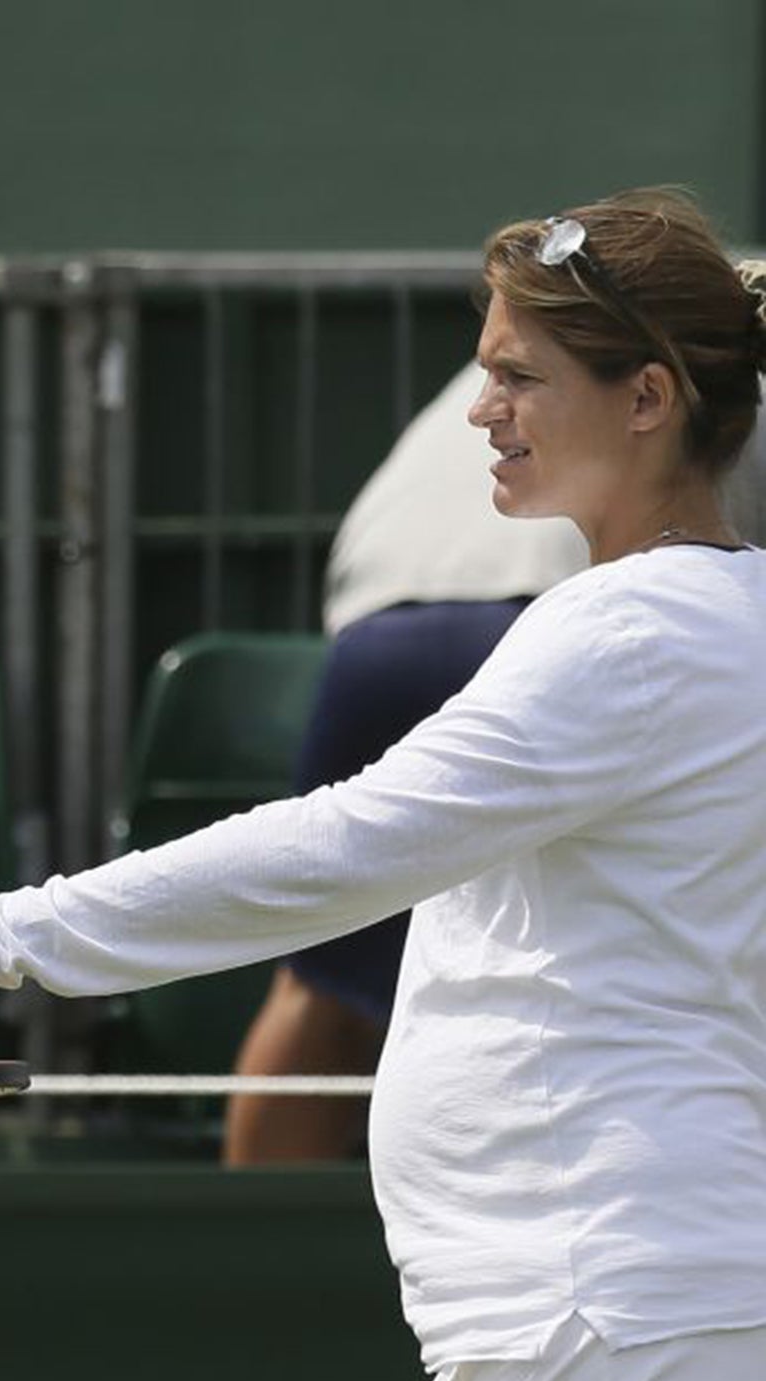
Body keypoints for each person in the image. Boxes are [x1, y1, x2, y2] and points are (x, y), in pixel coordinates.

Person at [0, 188, 766, 1381]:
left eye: (517, 378)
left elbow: (336, 846)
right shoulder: (737, 627)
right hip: (665, 1340)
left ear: (649, 397)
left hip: (598, 1330)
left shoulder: (625, 635)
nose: (482, 412)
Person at [223, 369, 586, 1165]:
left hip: (374, 640)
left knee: (320, 979)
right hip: (538, 625)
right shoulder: (691, 348)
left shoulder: (509, 357)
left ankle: (250, 1247)